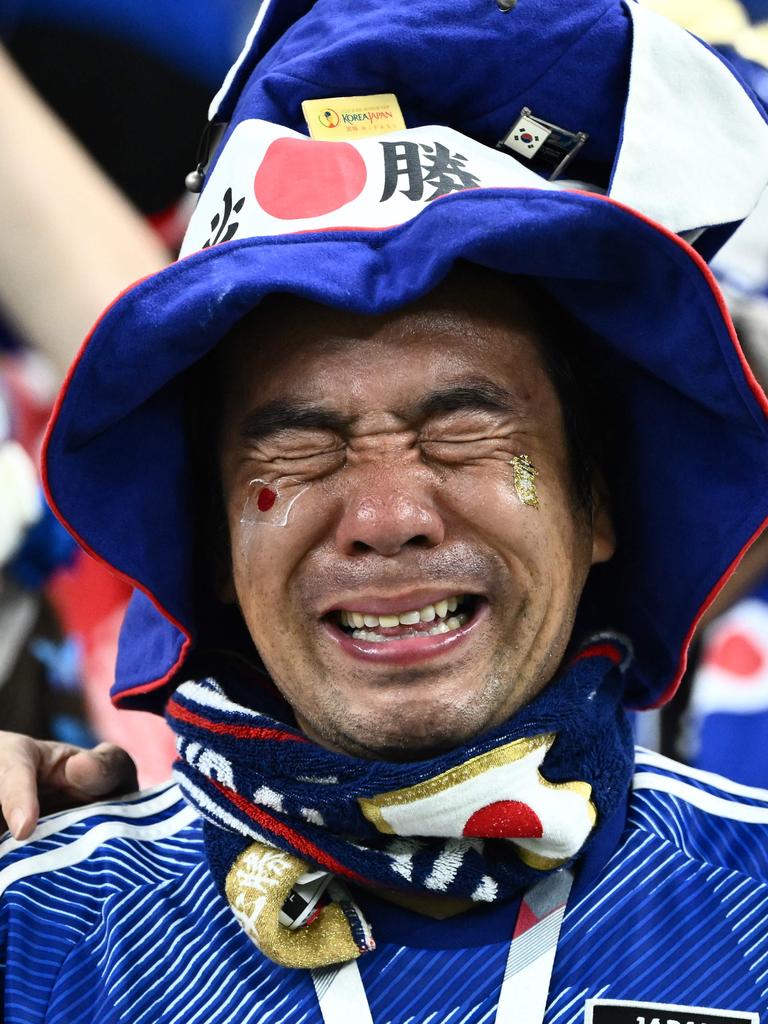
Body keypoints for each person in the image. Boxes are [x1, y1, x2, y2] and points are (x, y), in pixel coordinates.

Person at [4, 1, 768, 1021]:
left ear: (599, 502)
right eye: (300, 450)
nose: (387, 512)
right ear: (216, 541)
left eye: (464, 432)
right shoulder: (36, 932)